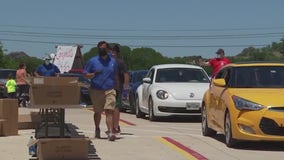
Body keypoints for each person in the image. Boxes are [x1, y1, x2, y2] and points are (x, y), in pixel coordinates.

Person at [83, 41, 118, 141]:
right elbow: (85, 74)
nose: (102, 50)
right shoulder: (92, 61)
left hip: (109, 90)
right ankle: (97, 128)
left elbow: (115, 76)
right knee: (98, 112)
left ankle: (110, 132)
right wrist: (92, 74)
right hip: (96, 90)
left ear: (107, 50)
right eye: (100, 48)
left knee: (109, 110)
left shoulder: (113, 61)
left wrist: (119, 88)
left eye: (104, 48)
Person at [111, 45, 129, 136]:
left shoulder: (120, 62)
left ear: (117, 53)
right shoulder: (108, 62)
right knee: (109, 108)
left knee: (116, 107)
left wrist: (126, 88)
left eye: (114, 52)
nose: (112, 53)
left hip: (118, 87)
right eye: (111, 51)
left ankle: (116, 126)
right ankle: (111, 126)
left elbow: (126, 75)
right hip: (108, 87)